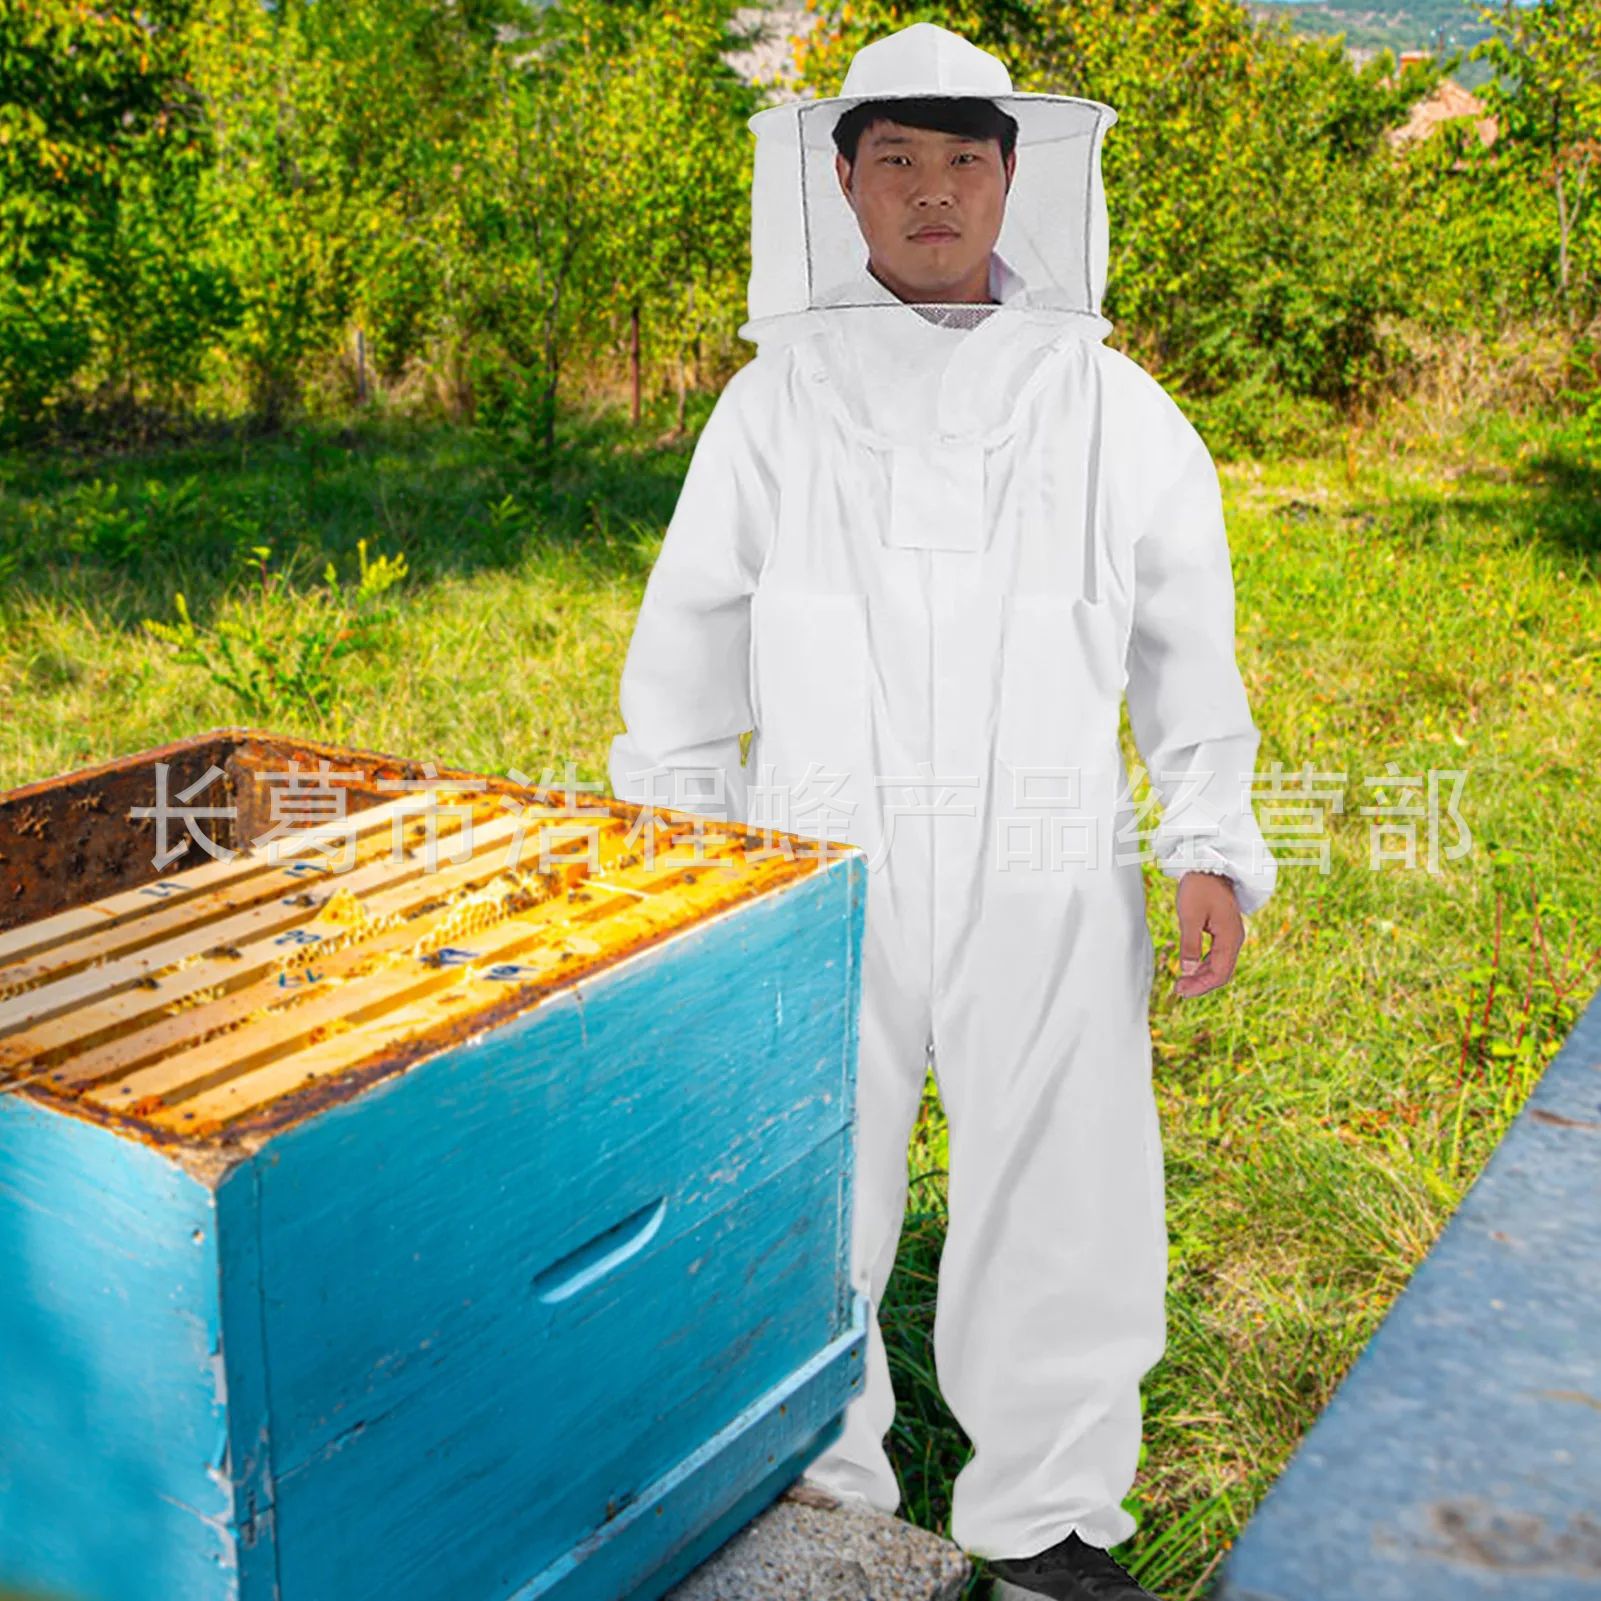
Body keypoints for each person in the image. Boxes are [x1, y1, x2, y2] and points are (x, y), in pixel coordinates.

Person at [608, 21, 1276, 1601]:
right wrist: (681, 851)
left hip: (1047, 854)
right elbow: (687, 647)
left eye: (961, 160)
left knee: (1066, 1169)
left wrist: (1207, 839)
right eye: (893, 159)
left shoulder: (1109, 406)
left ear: (1012, 176)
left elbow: (1187, 637)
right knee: (803, 1173)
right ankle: (817, 1496)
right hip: (812, 854)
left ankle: (1045, 1513)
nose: (929, 192)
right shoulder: (773, 406)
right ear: (839, 183)